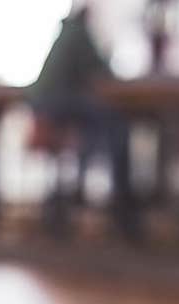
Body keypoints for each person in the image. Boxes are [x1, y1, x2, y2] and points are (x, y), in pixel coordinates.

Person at [26, 4, 137, 240]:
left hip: (44, 106)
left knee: (101, 121)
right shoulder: (79, 33)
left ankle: (81, 185)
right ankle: (122, 209)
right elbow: (101, 71)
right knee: (116, 125)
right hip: (60, 107)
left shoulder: (65, 33)